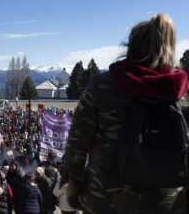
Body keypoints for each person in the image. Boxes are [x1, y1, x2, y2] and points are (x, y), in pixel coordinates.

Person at [62, 13, 189, 213]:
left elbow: (78, 141)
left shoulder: (103, 85)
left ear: (131, 46)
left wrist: (73, 183)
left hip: (105, 196)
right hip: (167, 200)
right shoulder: (181, 92)